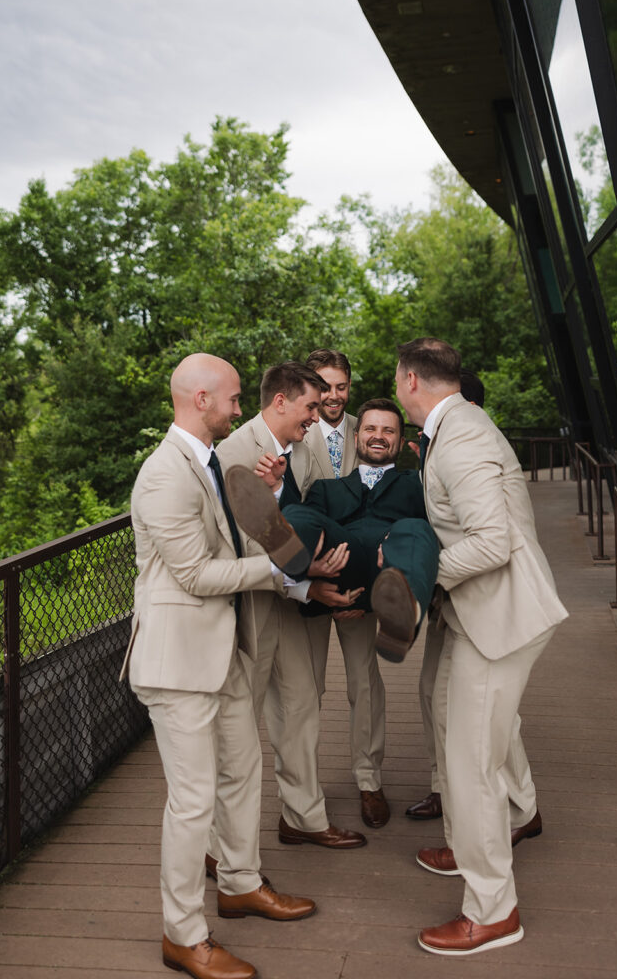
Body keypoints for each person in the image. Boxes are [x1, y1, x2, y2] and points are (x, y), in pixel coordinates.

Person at [120, 353, 316, 979]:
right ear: (201, 399)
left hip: (224, 649)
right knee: (193, 800)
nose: (240, 409)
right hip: (178, 664)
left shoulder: (207, 463)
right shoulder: (162, 476)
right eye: (232, 398)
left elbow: (234, 538)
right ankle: (183, 935)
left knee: (242, 770)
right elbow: (197, 575)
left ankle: (239, 883)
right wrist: (282, 570)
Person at [394, 337, 568, 956]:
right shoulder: (460, 422)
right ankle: (485, 833)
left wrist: (414, 576)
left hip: (501, 617)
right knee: (456, 730)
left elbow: (491, 543)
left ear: (409, 381)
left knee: (471, 764)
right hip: (482, 614)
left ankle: (493, 910)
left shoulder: (460, 434)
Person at [218, 361, 366, 850]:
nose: (315, 415)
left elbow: (304, 515)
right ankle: (220, 848)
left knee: (302, 708)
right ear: (280, 401)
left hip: (293, 607)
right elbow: (239, 547)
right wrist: (306, 586)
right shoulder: (230, 454)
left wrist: (280, 492)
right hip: (251, 611)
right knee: (239, 728)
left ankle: (303, 817)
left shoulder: (301, 450)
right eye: (308, 406)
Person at [225, 397, 440, 659]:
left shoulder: (418, 484)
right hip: (344, 564)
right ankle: (290, 552)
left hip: (392, 566)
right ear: (356, 435)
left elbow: (439, 526)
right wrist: (276, 488)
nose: (379, 436)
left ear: (401, 440)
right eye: (371, 429)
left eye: (388, 431)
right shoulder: (327, 488)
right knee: (300, 514)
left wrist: (432, 464)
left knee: (415, 528)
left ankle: (401, 620)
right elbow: (310, 521)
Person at [300, 349, 389, 829]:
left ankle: (369, 780)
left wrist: (365, 583)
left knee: (365, 683)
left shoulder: (369, 428)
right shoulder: (293, 429)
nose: (333, 396)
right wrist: (310, 580)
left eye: (341, 387)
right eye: (324, 387)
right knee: (305, 688)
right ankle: (303, 790)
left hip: (358, 585)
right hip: (307, 583)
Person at [405, 368, 486, 823]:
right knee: (431, 693)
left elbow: (487, 539)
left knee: (472, 713)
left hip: (474, 601)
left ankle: (505, 808)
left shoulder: (468, 450)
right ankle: (444, 787)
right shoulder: (434, 449)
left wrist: (428, 577)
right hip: (447, 602)